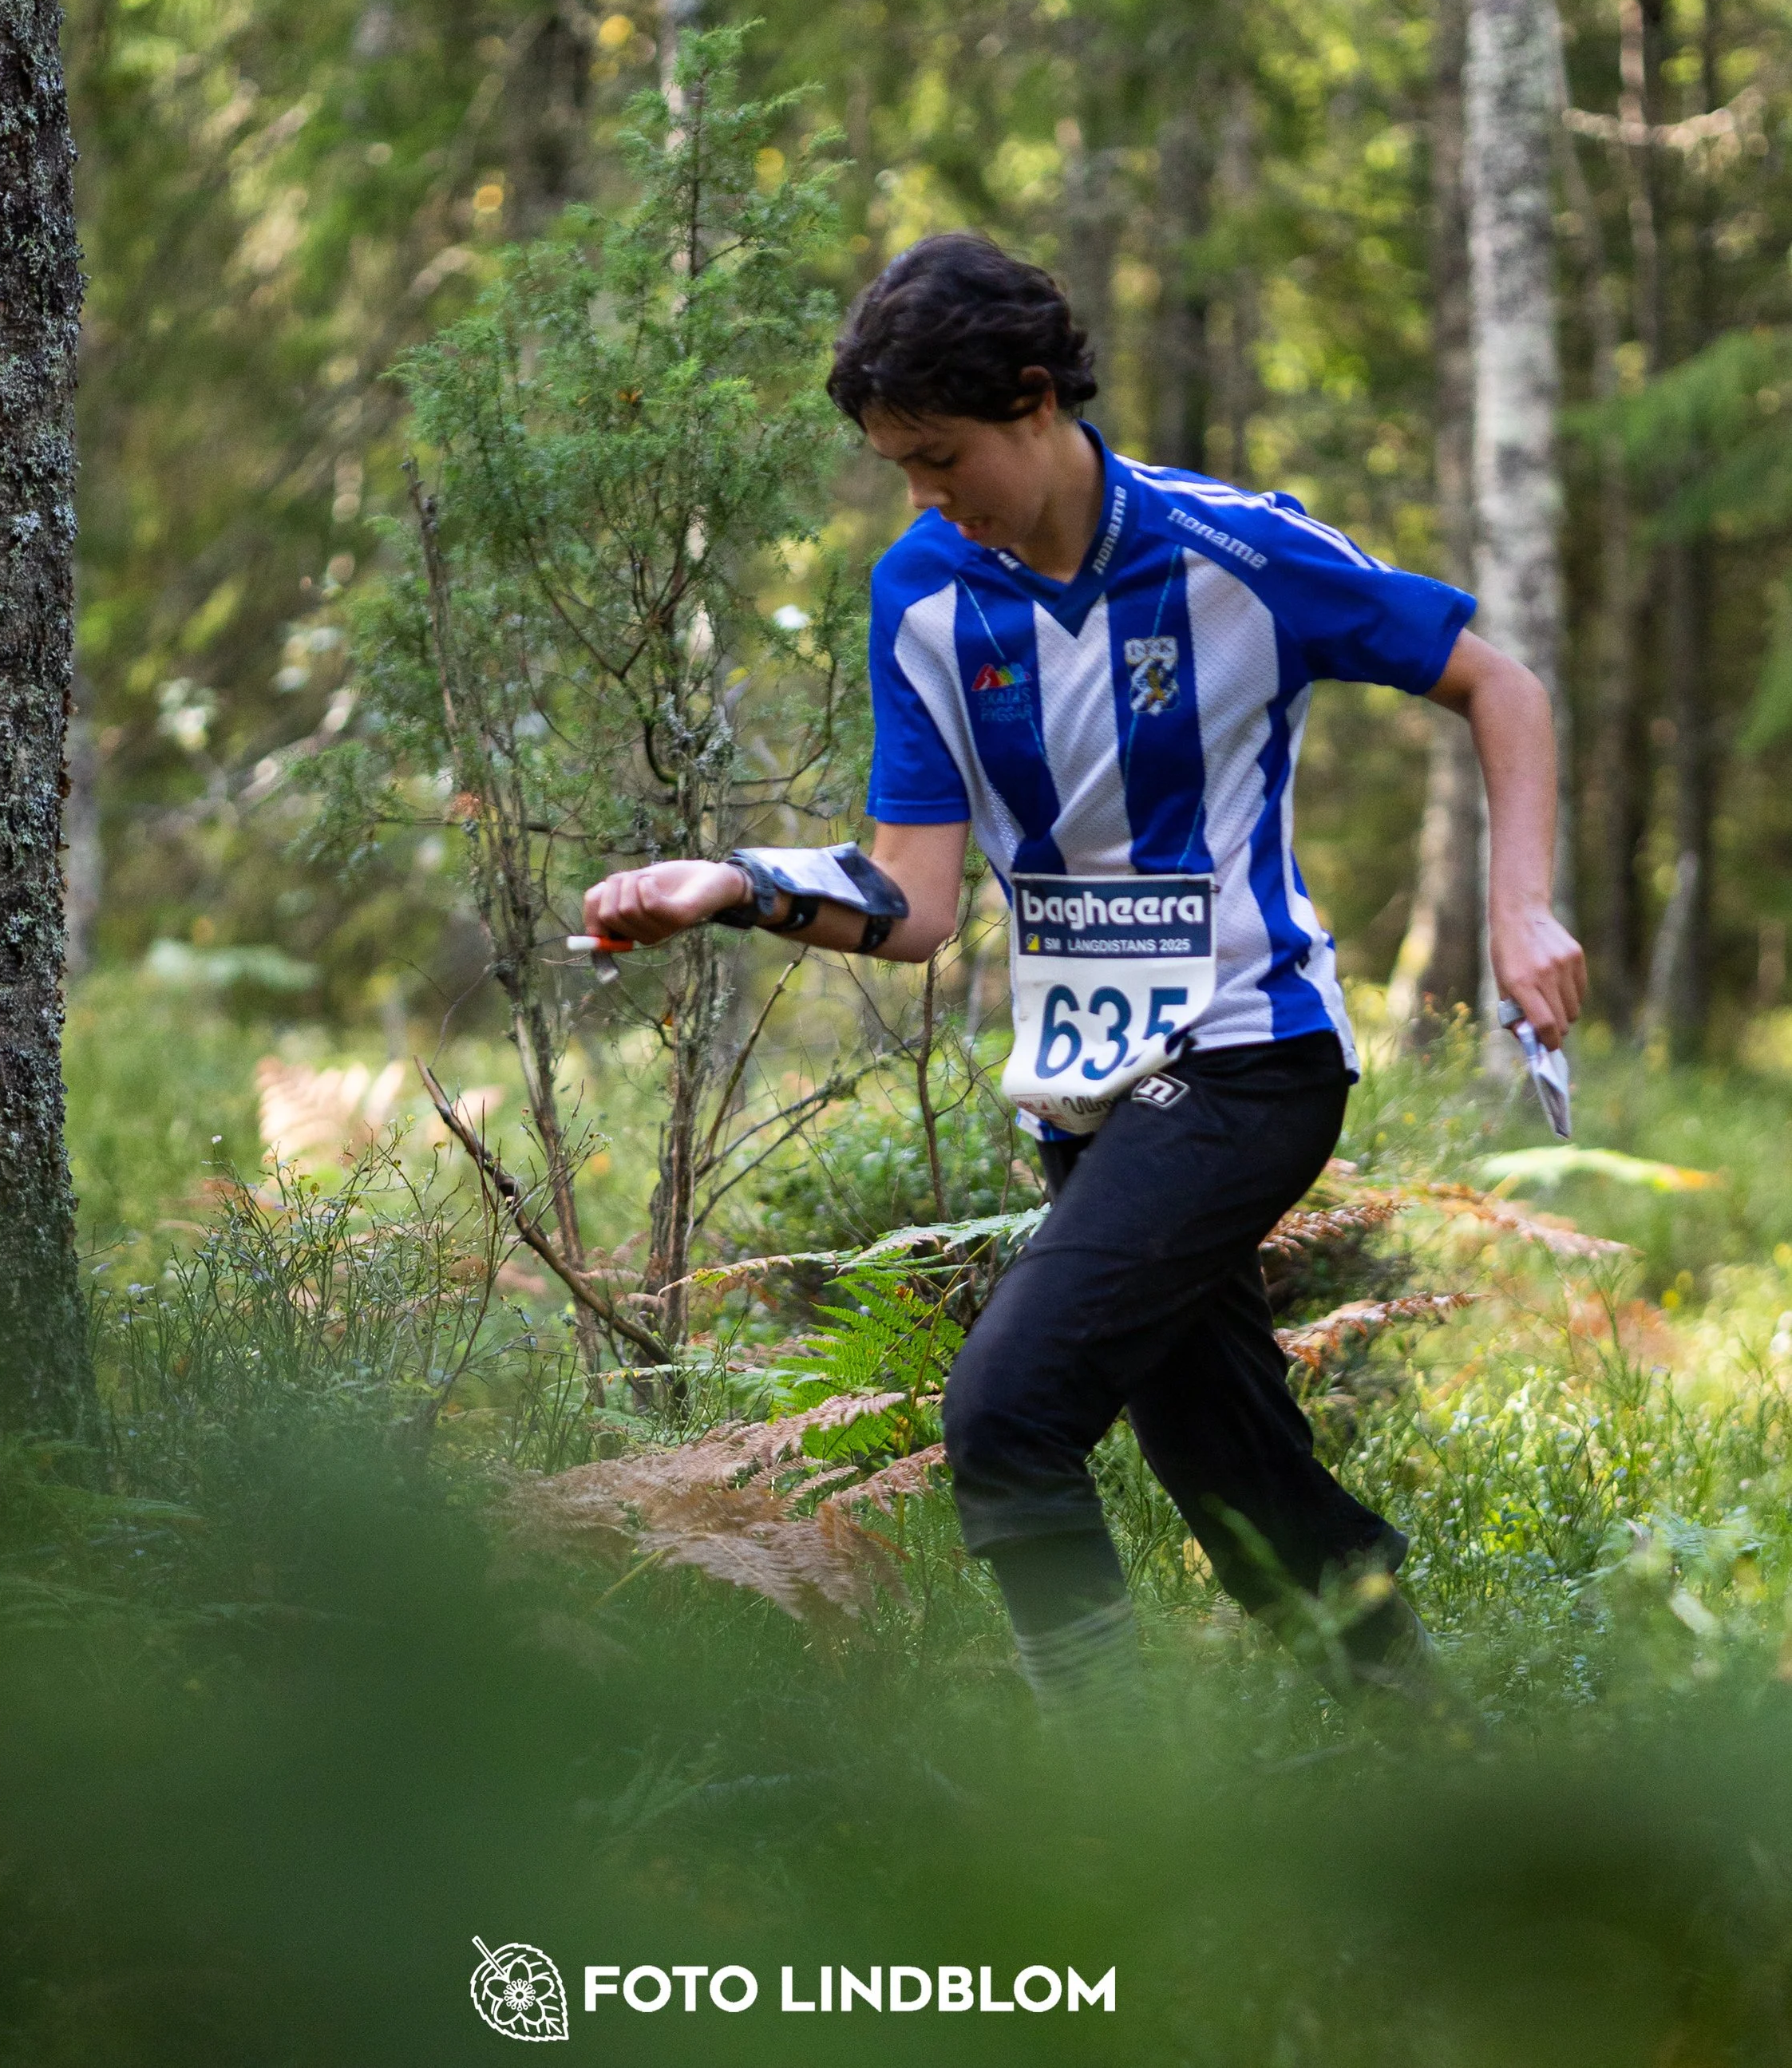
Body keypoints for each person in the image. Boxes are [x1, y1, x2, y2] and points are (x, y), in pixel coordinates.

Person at [582, 231, 1584, 1720]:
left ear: (1037, 402)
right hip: (1089, 1102)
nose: (927, 497)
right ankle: (1433, 1753)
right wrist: (734, 888)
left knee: (1005, 1418)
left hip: (1252, 1058)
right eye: (899, 467)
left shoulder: (1236, 551)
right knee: (1238, 1475)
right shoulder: (924, 593)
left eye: (942, 456)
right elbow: (912, 905)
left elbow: (1498, 682)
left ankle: (1101, 1815)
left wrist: (1522, 913)